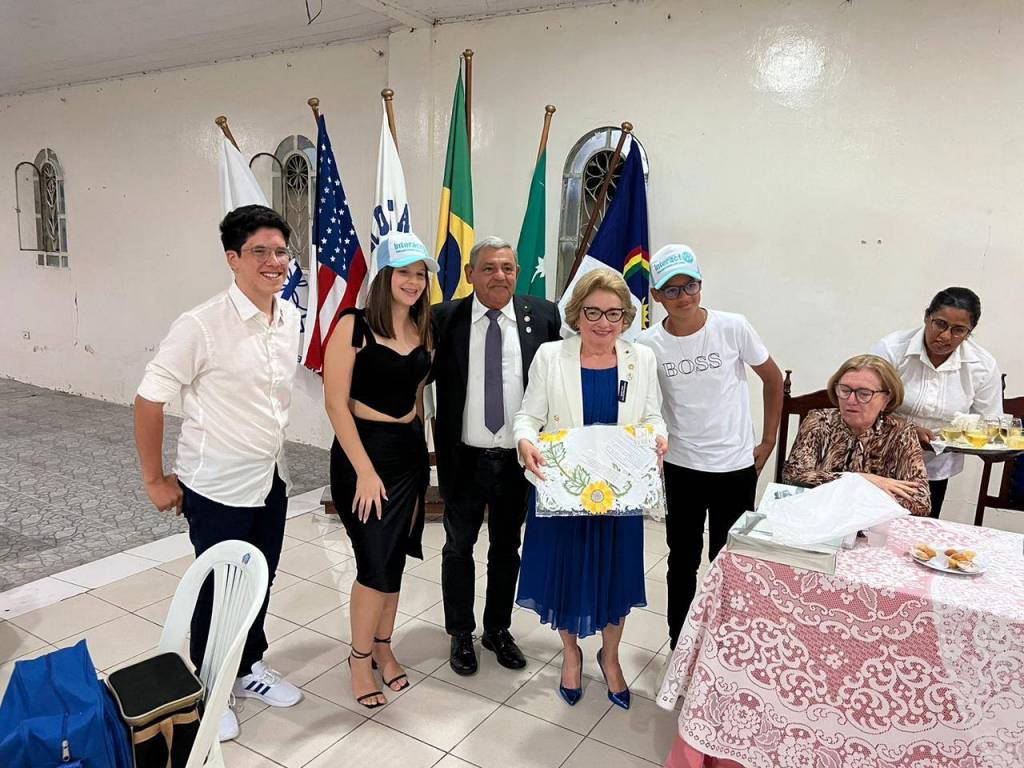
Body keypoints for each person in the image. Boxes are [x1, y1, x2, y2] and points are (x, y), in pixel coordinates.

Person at [135, 204, 303, 742]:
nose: (274, 262)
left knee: (259, 581)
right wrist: (155, 479)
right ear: (233, 259)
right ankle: (211, 685)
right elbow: (149, 399)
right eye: (260, 252)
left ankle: (248, 666)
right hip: (215, 488)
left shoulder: (290, 318)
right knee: (217, 590)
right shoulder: (201, 325)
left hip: (269, 480)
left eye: (281, 251)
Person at [514, 268, 668, 710]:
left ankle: (611, 656)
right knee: (566, 574)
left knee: (616, 576)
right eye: (593, 312)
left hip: (619, 495)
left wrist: (659, 437)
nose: (604, 322)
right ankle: (571, 653)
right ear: (576, 314)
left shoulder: (641, 359)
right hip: (567, 491)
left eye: (614, 313)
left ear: (626, 317)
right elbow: (528, 417)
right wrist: (524, 441)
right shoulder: (551, 356)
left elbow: (652, 416)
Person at [638, 244, 783, 651]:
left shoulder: (732, 327)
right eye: (672, 290)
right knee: (682, 560)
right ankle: (679, 642)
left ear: (701, 285)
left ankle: (724, 643)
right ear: (656, 295)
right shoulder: (648, 344)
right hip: (681, 467)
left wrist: (768, 439)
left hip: (735, 467)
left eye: (691, 286)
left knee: (729, 559)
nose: (683, 296)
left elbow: (773, 379)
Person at [431, 236, 562, 676]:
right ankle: (460, 632)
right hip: (463, 458)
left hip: (516, 460)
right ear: (470, 274)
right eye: (488, 268)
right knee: (458, 547)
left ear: (517, 273)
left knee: (506, 548)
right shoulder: (442, 318)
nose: (499, 276)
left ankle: (497, 629)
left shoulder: (543, 316)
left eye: (507, 267)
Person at [324, 232, 436, 709]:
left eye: (420, 274)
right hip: (363, 455)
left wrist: (423, 451)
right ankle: (359, 658)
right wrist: (366, 472)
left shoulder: (423, 328)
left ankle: (384, 647)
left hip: (408, 454)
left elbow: (417, 396)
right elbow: (335, 404)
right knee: (372, 561)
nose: (413, 281)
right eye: (404, 272)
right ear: (385, 275)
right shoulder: (353, 325)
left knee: (394, 558)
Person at [871, 287, 1002, 517]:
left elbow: (990, 424)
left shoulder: (982, 365)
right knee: (869, 526)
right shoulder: (892, 349)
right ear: (926, 317)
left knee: (920, 530)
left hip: (934, 467)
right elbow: (864, 403)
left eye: (958, 330)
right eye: (940, 324)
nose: (945, 336)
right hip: (877, 457)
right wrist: (906, 429)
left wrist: (979, 440)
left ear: (969, 332)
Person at [782, 354, 931, 516]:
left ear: (886, 399)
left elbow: (920, 502)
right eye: (845, 390)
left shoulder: (901, 432)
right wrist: (860, 480)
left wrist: (843, 487)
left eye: (864, 393)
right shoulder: (819, 421)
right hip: (819, 517)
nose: (851, 400)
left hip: (874, 523)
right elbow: (793, 476)